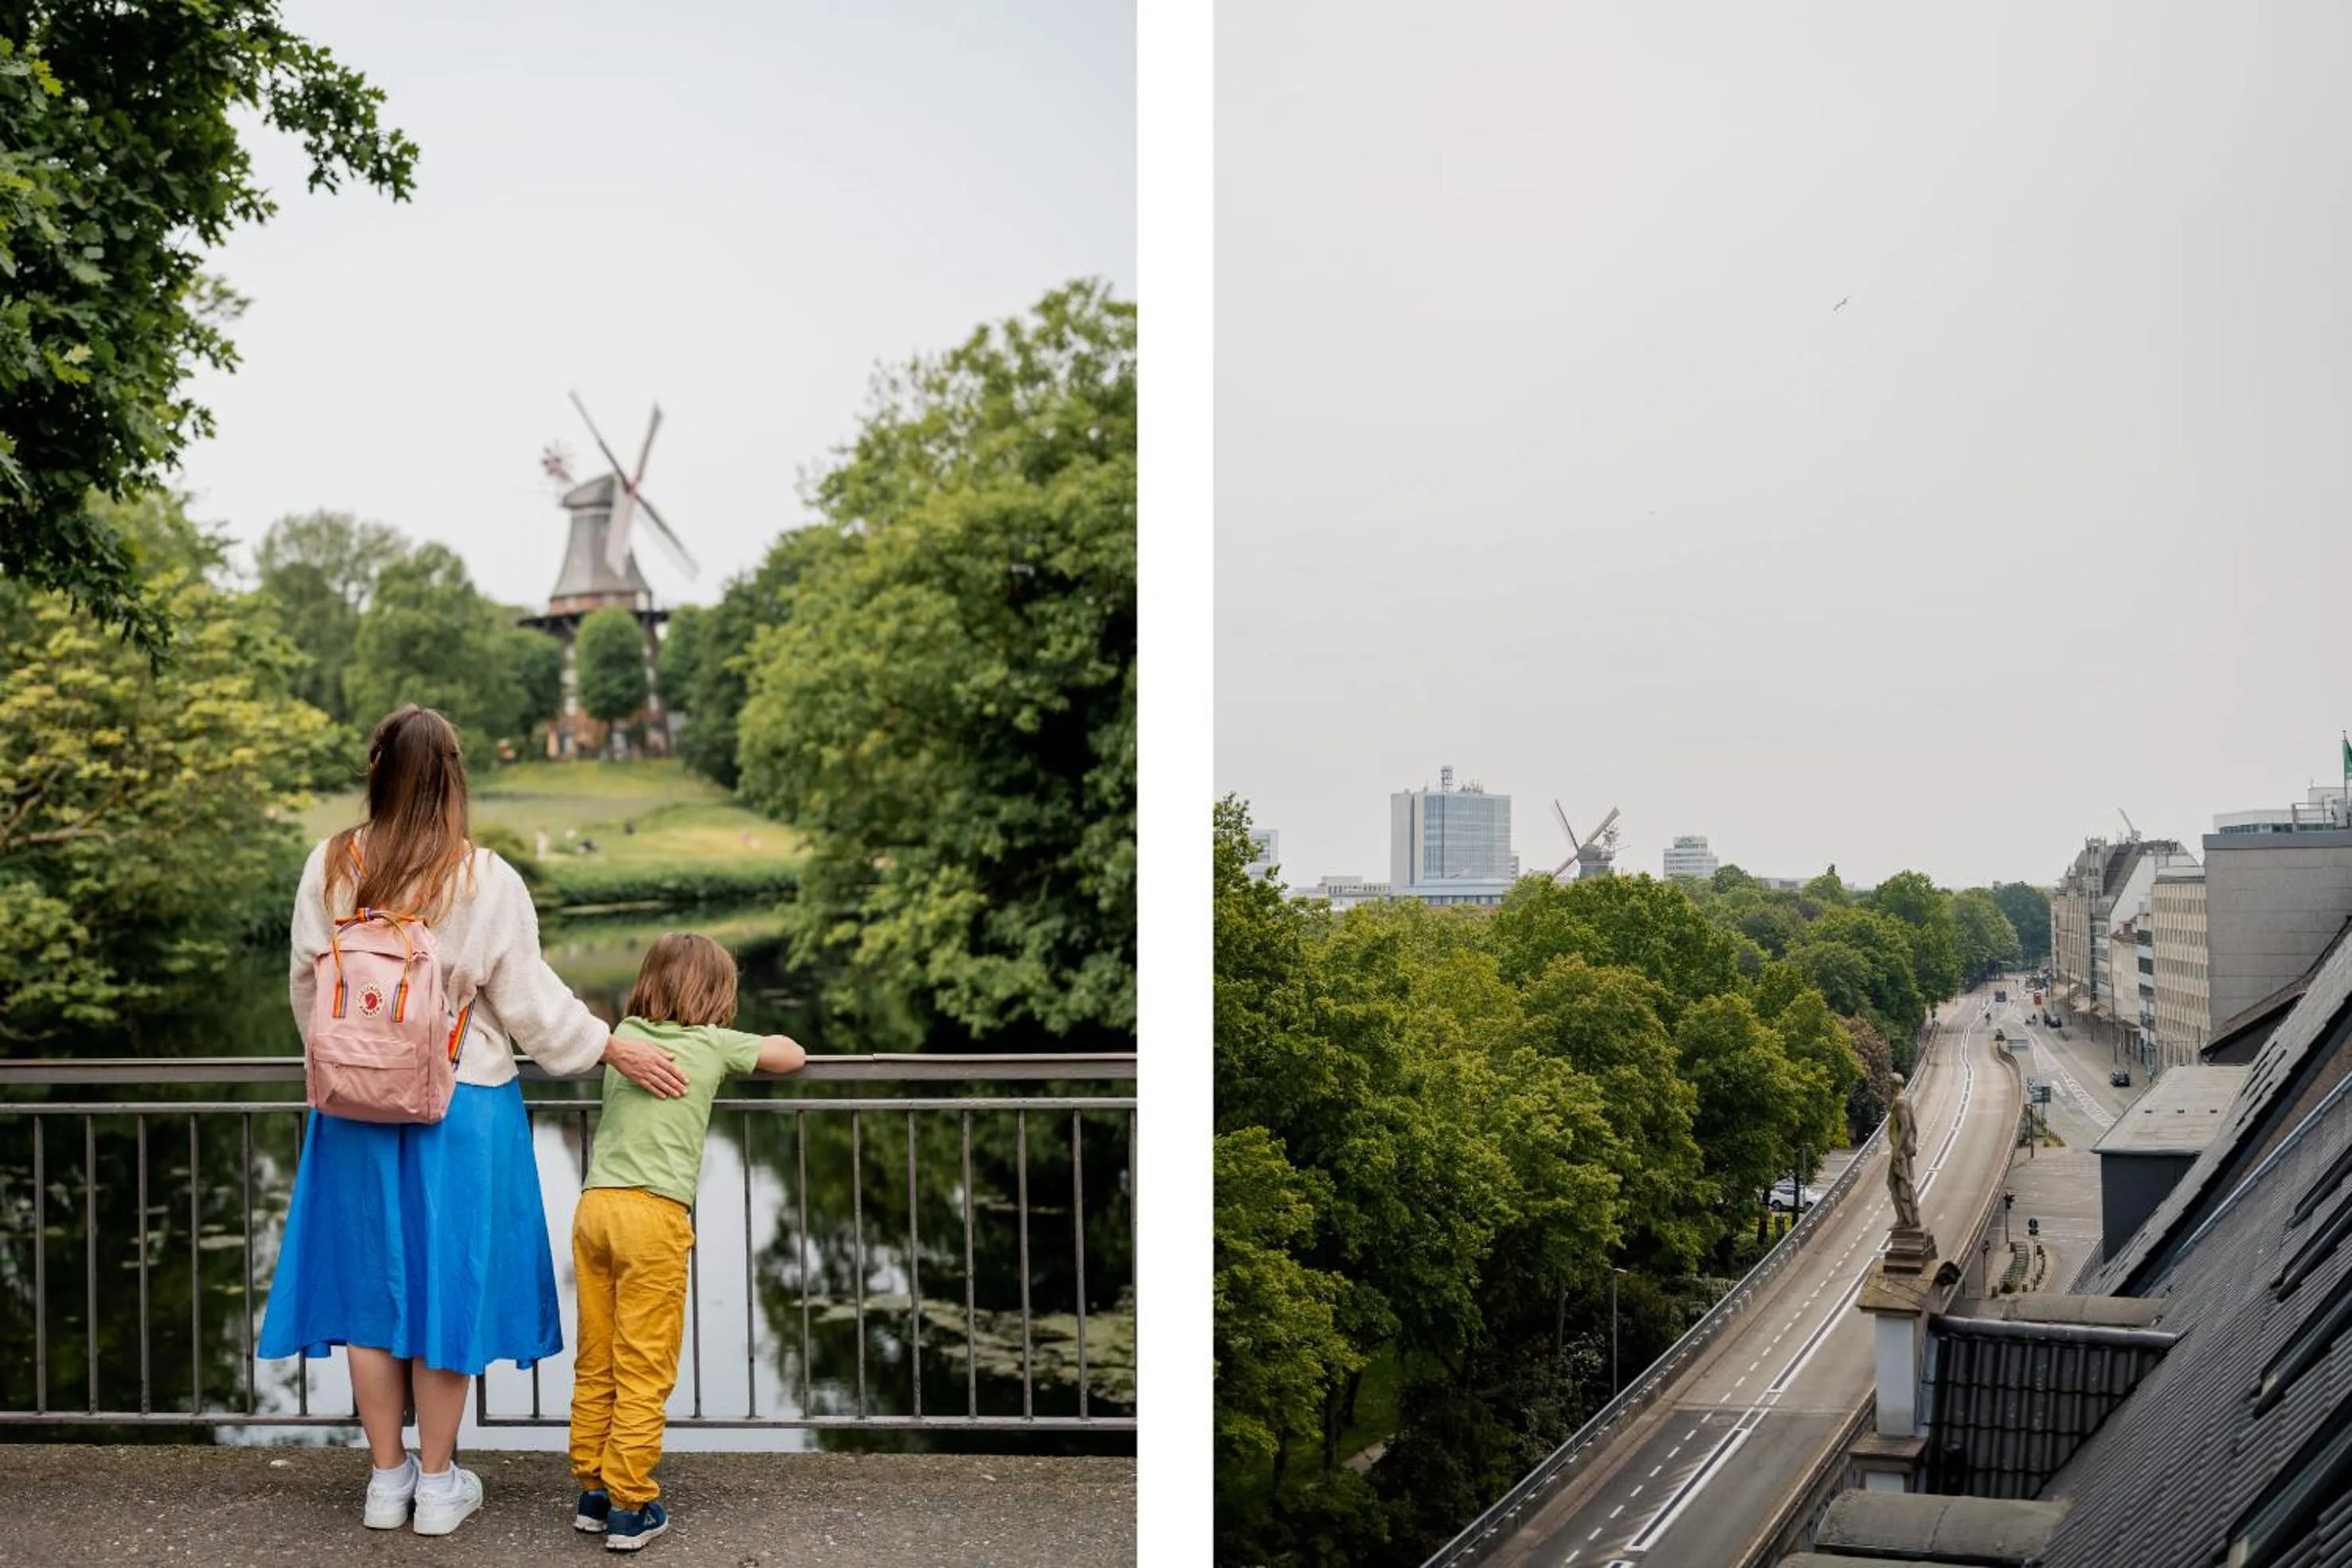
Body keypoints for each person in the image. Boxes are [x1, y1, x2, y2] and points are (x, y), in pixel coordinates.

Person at [258, 706, 691, 1538]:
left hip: (351, 1112)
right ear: (454, 777)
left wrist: (355, 1065)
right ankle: (436, 1485)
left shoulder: (329, 865)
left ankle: (385, 1482)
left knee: (369, 1295)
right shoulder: (482, 877)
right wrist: (612, 1047)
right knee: (443, 1289)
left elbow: (308, 990)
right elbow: (532, 1005)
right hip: (461, 1105)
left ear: (376, 772)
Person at [569, 933, 808, 1551]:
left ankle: (592, 1489)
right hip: (653, 1215)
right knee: (645, 1362)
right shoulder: (713, 1042)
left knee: (599, 1355)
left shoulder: (623, 1038)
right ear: (717, 992)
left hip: (595, 1208)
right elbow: (791, 1055)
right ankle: (630, 1502)